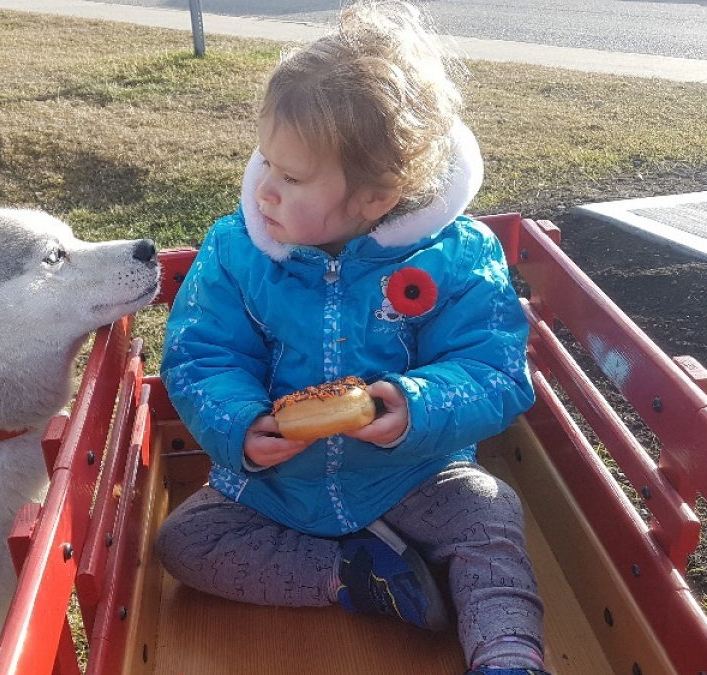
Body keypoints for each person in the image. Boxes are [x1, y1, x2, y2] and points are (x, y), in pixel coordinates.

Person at [156, 3, 547, 674]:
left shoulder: (455, 255)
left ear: (377, 195)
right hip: (282, 485)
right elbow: (202, 356)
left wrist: (415, 403)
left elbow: (495, 367)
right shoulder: (238, 252)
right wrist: (241, 425)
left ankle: (508, 655)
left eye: (293, 177)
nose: (266, 190)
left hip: (414, 474)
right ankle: (353, 573)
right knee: (184, 542)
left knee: (490, 514)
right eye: (266, 164)